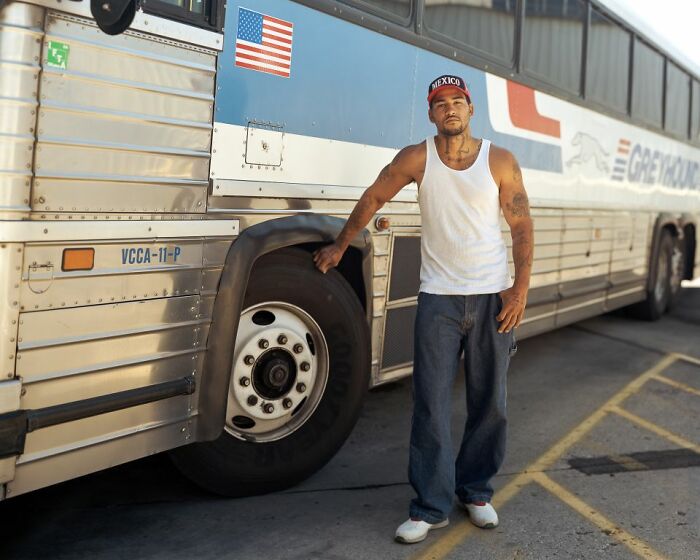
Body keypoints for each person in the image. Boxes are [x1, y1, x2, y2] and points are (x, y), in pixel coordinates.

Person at [313, 74, 534, 544]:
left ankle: (474, 491)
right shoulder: (417, 157)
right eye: (440, 103)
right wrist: (339, 246)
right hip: (439, 300)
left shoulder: (500, 161)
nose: (450, 109)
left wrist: (519, 290)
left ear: (471, 110)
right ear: (431, 114)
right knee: (430, 406)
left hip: (493, 297)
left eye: (458, 101)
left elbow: (520, 227)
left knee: (489, 403)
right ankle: (431, 505)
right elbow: (374, 197)